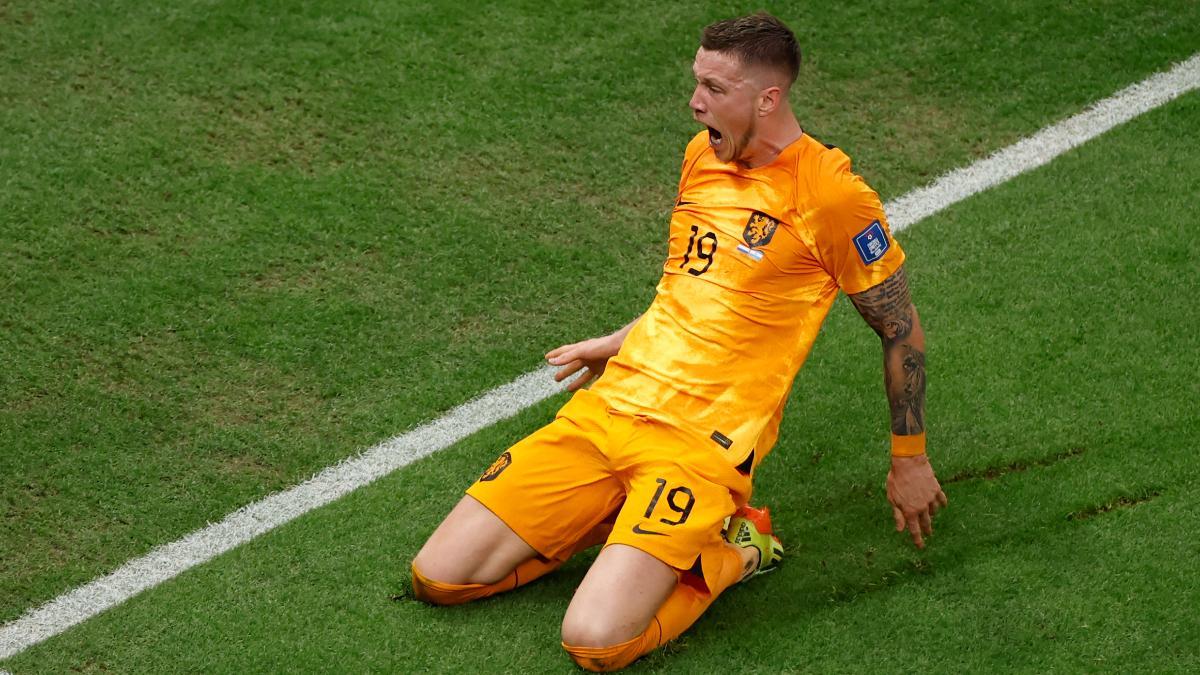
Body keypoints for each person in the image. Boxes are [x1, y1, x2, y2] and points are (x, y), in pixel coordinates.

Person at [410, 12, 947, 672]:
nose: (696, 103)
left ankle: (735, 547)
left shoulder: (832, 198)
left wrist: (910, 457)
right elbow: (693, 290)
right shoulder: (703, 157)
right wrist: (616, 341)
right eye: (697, 83)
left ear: (767, 98)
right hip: (611, 409)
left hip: (700, 448)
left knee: (594, 640)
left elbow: (901, 329)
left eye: (715, 89)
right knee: (438, 576)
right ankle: (615, 525)